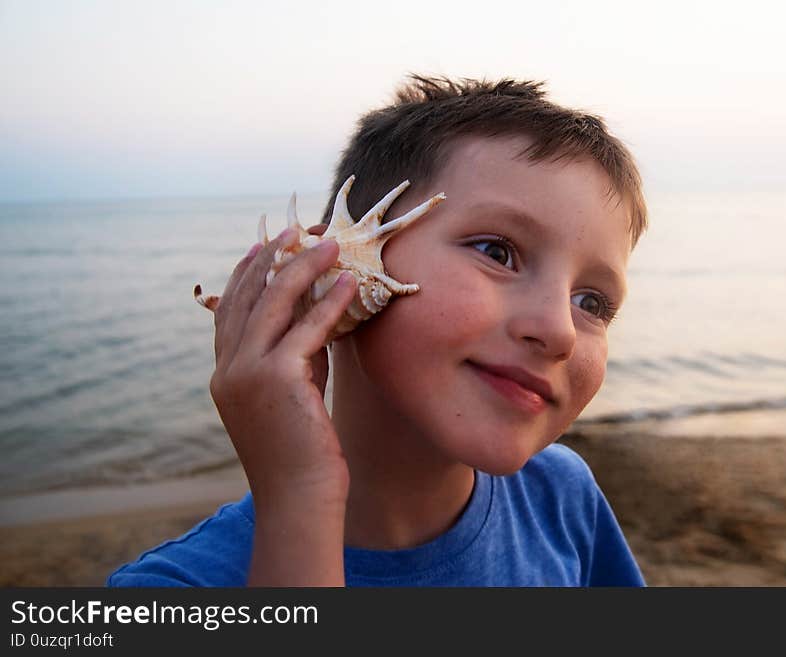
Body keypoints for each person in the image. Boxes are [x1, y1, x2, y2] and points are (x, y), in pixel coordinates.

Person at [107, 75, 648, 587]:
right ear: (331, 261)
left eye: (592, 302)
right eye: (496, 252)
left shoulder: (563, 496)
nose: (560, 331)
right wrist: (299, 496)